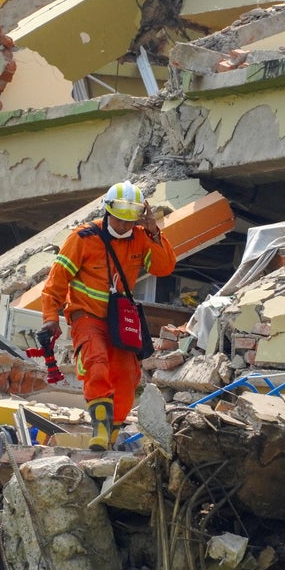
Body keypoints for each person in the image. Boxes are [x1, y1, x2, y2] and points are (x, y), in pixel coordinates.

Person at [41, 181, 177, 450]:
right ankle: (100, 430)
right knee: (96, 363)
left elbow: (164, 267)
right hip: (86, 316)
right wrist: (50, 317)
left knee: (127, 376)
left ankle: (111, 437)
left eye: (130, 221)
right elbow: (57, 280)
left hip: (120, 321)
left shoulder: (140, 237)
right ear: (108, 211)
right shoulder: (82, 239)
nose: (124, 226)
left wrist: (154, 232)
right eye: (119, 220)